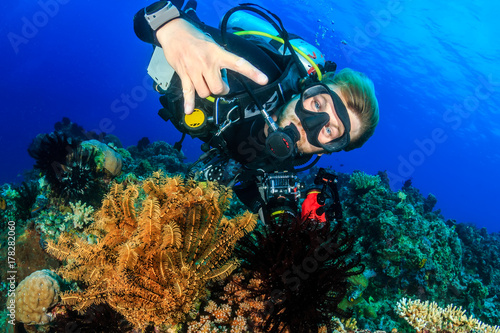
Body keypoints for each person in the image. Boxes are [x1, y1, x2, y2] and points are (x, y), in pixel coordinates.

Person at [133, 1, 379, 220]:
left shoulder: (289, 163)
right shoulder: (256, 74)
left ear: (327, 150)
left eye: (328, 129)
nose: (308, 124)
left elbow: (247, 180)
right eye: (317, 104)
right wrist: (173, 28)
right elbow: (142, 21)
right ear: (306, 89)